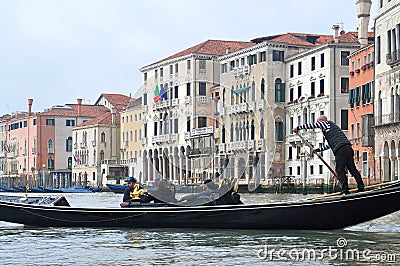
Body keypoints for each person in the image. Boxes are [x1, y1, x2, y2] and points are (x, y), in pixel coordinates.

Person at [293, 115, 364, 195]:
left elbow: (312, 125)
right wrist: (318, 150)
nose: (317, 124)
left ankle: (345, 190)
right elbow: (330, 145)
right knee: (352, 168)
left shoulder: (326, 123)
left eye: (318, 122)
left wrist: (298, 128)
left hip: (340, 150)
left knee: (339, 169)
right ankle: (361, 187)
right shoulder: (333, 129)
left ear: (322, 121)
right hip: (347, 148)